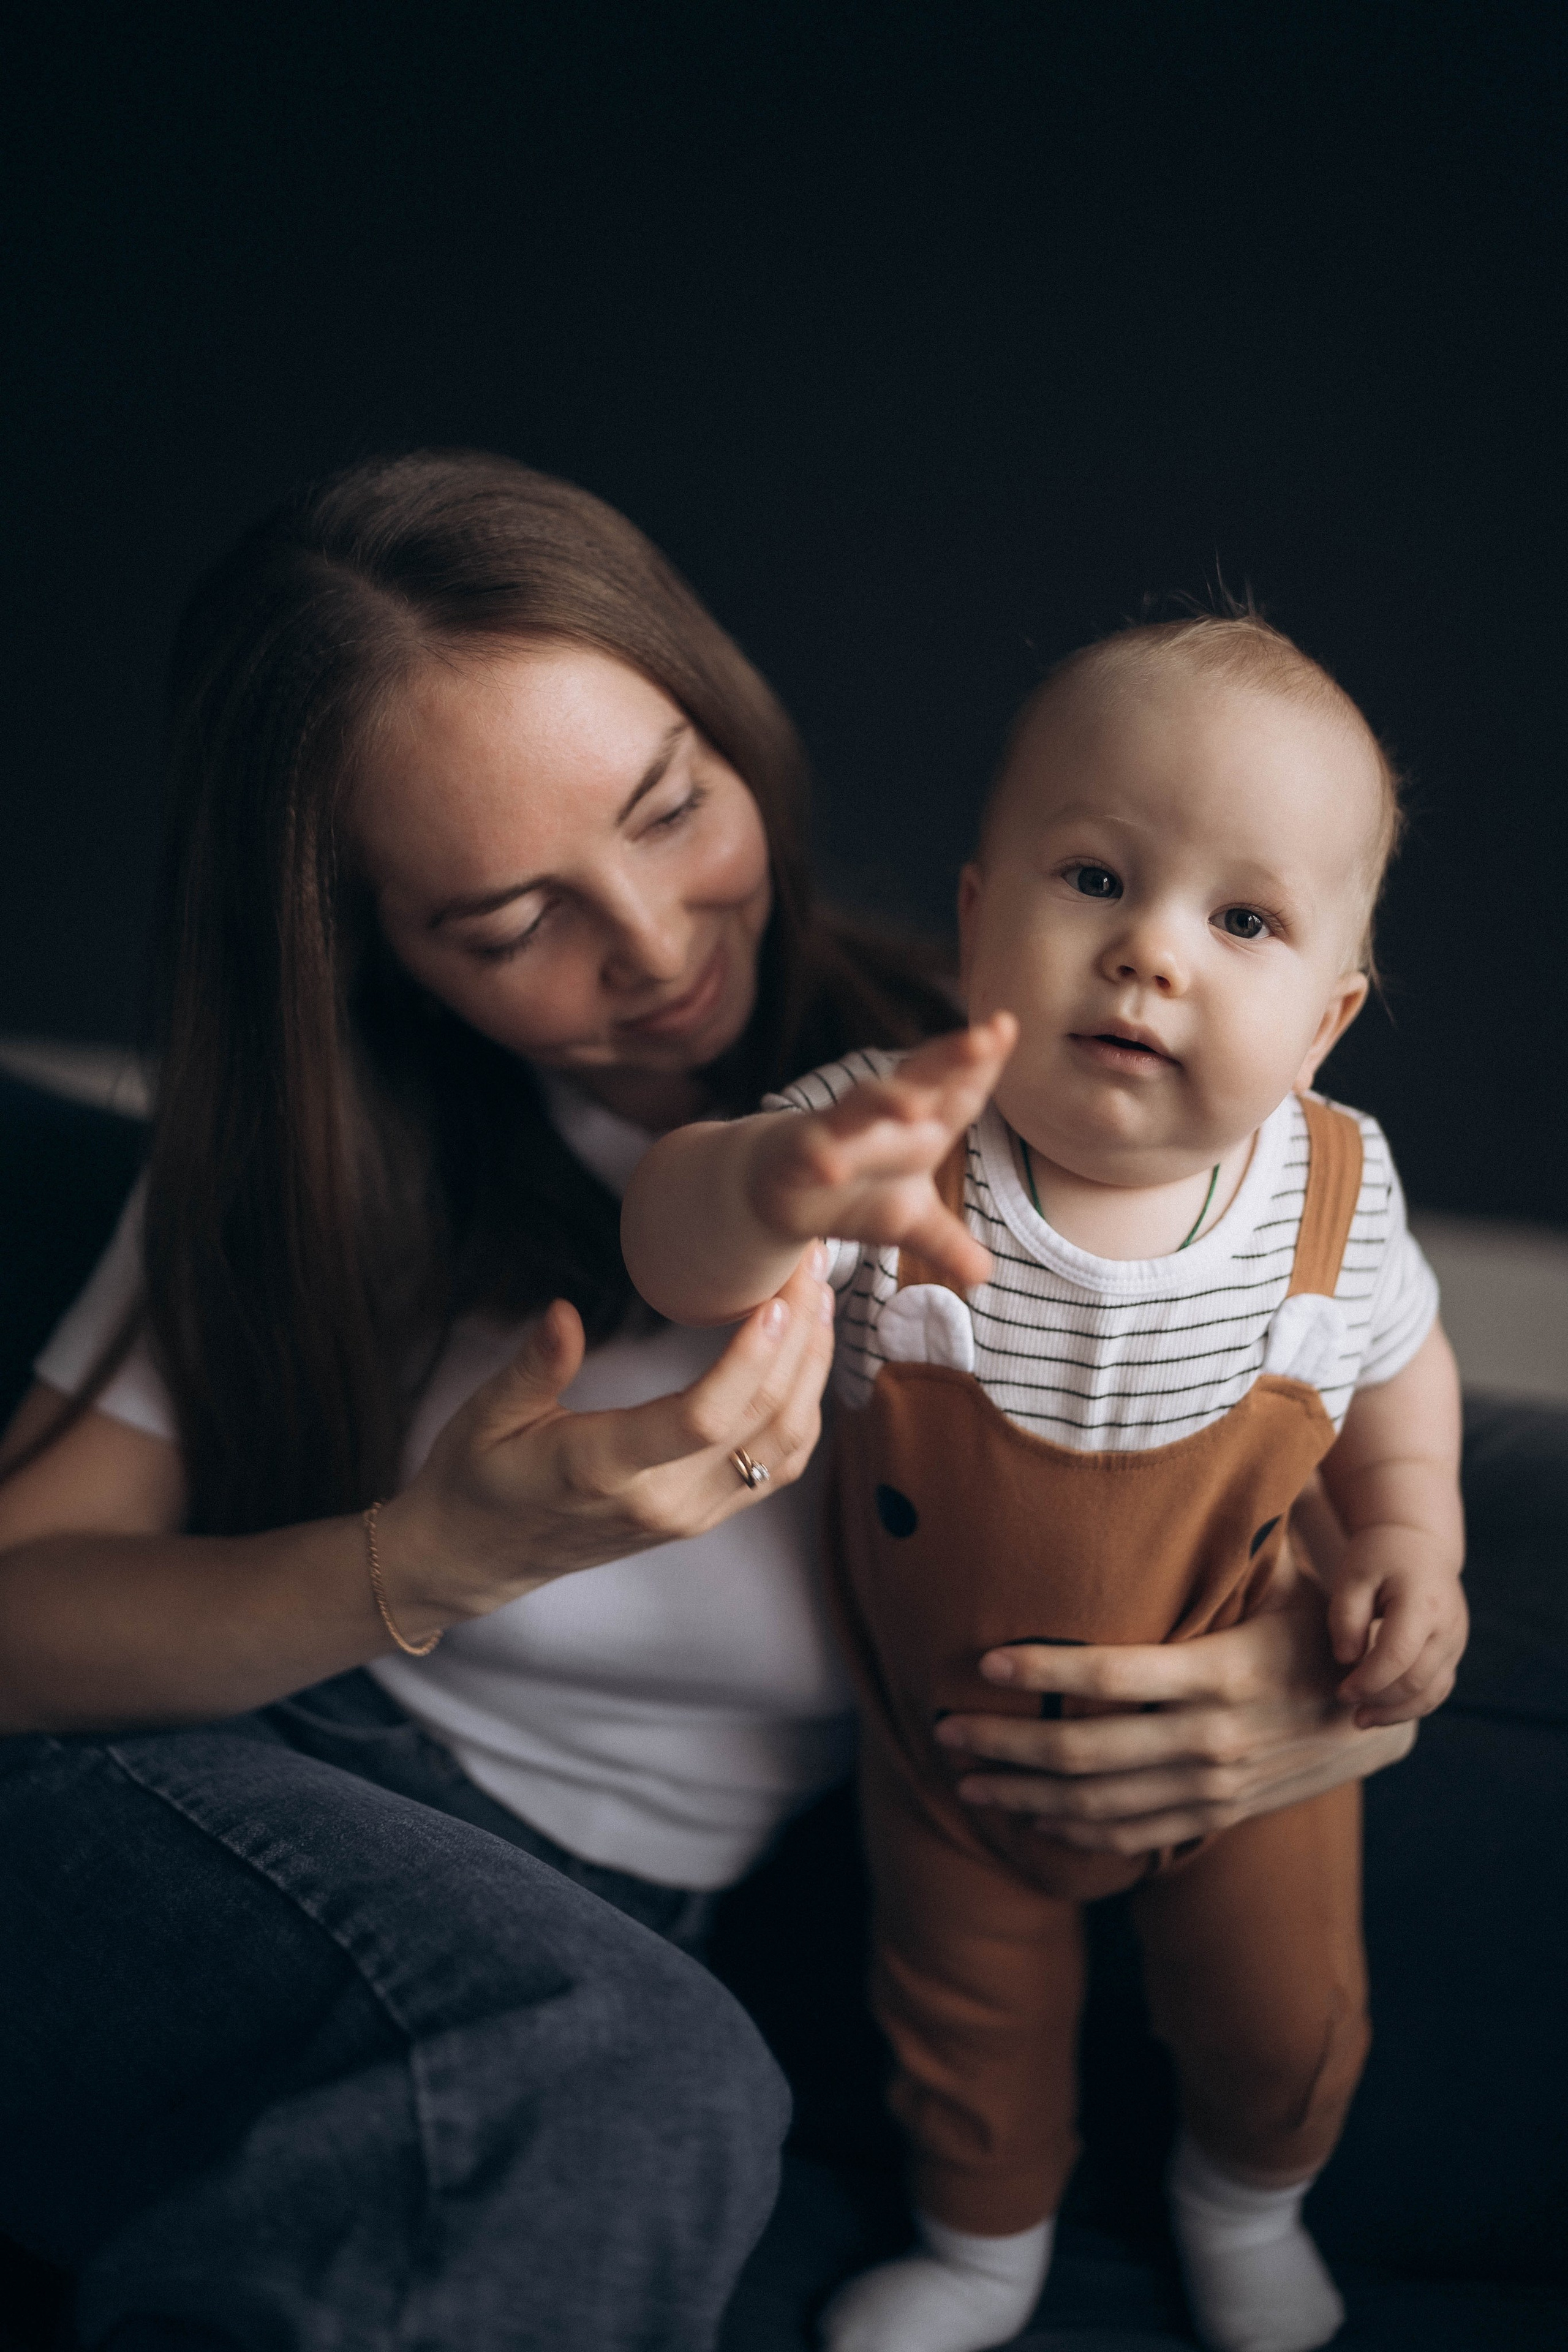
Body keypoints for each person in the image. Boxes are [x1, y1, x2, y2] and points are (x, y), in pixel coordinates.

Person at [0, 461, 1415, 2352]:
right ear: (366, 949)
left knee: (661, 2084)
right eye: (509, 924)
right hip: (233, 1801)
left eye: (673, 811)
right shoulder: (309, 1173)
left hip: (615, 1931)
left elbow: (1315, 1481)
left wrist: (1299, 1718)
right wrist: (428, 1557)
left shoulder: (1057, 1106)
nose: (655, 947)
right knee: (633, 2068)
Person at [622, 614, 1468, 2352]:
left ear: (1330, 1015)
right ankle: (984, 2243)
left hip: (1259, 1714)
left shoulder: (1336, 1191)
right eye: (1094, 876)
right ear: (971, 919)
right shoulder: (890, 1132)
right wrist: (774, 1184)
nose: (1151, 953)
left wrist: (1411, 1532)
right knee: (958, 2011)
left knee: (1279, 2010)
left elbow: (1401, 1372)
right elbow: (675, 1253)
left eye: (1243, 919)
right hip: (959, 1742)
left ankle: (1246, 2205)